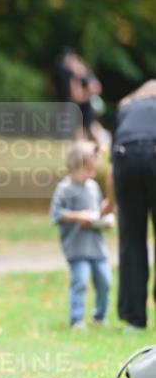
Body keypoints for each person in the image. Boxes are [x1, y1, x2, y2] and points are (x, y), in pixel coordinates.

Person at [49, 140, 114, 329]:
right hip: (77, 247)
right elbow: (56, 214)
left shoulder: (93, 187)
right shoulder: (64, 188)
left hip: (97, 247)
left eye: (94, 171)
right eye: (88, 170)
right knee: (81, 282)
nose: (91, 175)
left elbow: (100, 210)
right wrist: (78, 217)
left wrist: (105, 220)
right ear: (75, 166)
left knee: (105, 281)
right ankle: (76, 319)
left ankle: (99, 316)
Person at [111, 80, 156, 331]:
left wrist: (110, 202)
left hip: (125, 158)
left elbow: (111, 169)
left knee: (131, 239)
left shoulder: (127, 107)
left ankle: (134, 318)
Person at [52, 46, 110, 150]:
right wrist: (88, 91)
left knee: (88, 128)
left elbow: (95, 87)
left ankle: (100, 146)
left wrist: (88, 91)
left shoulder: (85, 74)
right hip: (81, 104)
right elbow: (77, 95)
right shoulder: (70, 75)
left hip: (87, 104)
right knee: (85, 128)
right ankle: (94, 146)